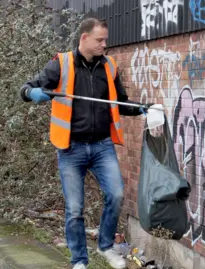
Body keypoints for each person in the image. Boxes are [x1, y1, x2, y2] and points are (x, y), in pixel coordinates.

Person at [18, 17, 153, 269]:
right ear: (84, 38)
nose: (104, 45)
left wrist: (143, 109)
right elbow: (27, 87)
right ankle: (79, 261)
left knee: (116, 194)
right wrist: (31, 94)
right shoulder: (61, 64)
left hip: (102, 146)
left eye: (105, 40)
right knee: (74, 209)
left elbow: (120, 102)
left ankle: (105, 246)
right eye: (100, 40)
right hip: (71, 148)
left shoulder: (109, 67)